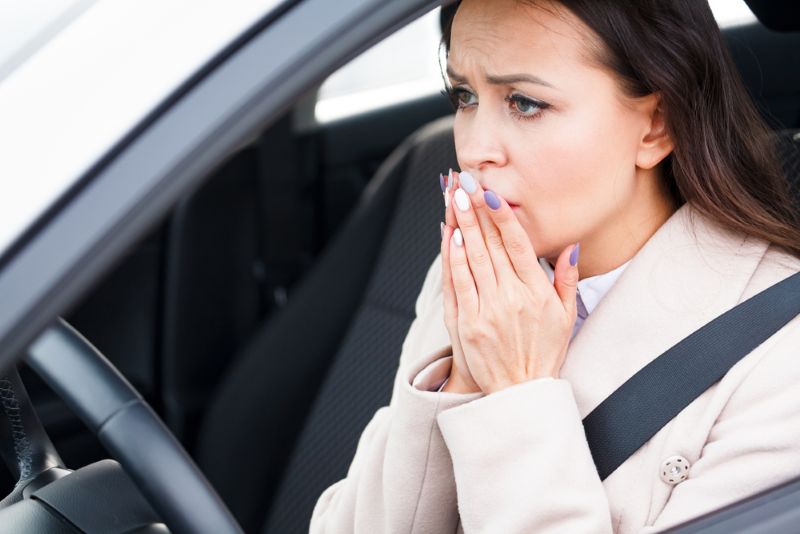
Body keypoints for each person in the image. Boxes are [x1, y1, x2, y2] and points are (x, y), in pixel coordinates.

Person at [310, 0, 800, 532]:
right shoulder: (477, 277)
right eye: (465, 96)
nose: (473, 149)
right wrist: (464, 378)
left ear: (656, 126)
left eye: (524, 102)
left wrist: (515, 392)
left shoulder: (779, 362)